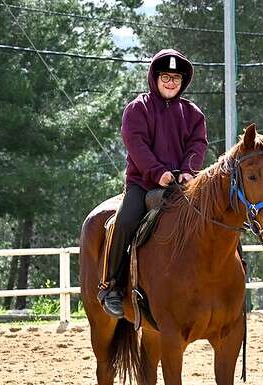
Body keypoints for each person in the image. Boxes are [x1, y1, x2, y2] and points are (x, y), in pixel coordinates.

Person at [99, 49, 208, 318]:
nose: (171, 82)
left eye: (176, 77)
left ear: (183, 81)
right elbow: (136, 145)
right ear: (154, 77)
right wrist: (157, 172)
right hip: (143, 184)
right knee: (125, 220)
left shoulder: (192, 113)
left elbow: (198, 144)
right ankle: (111, 286)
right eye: (165, 76)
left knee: (213, 216)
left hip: (182, 185)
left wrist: (188, 170)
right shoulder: (137, 109)